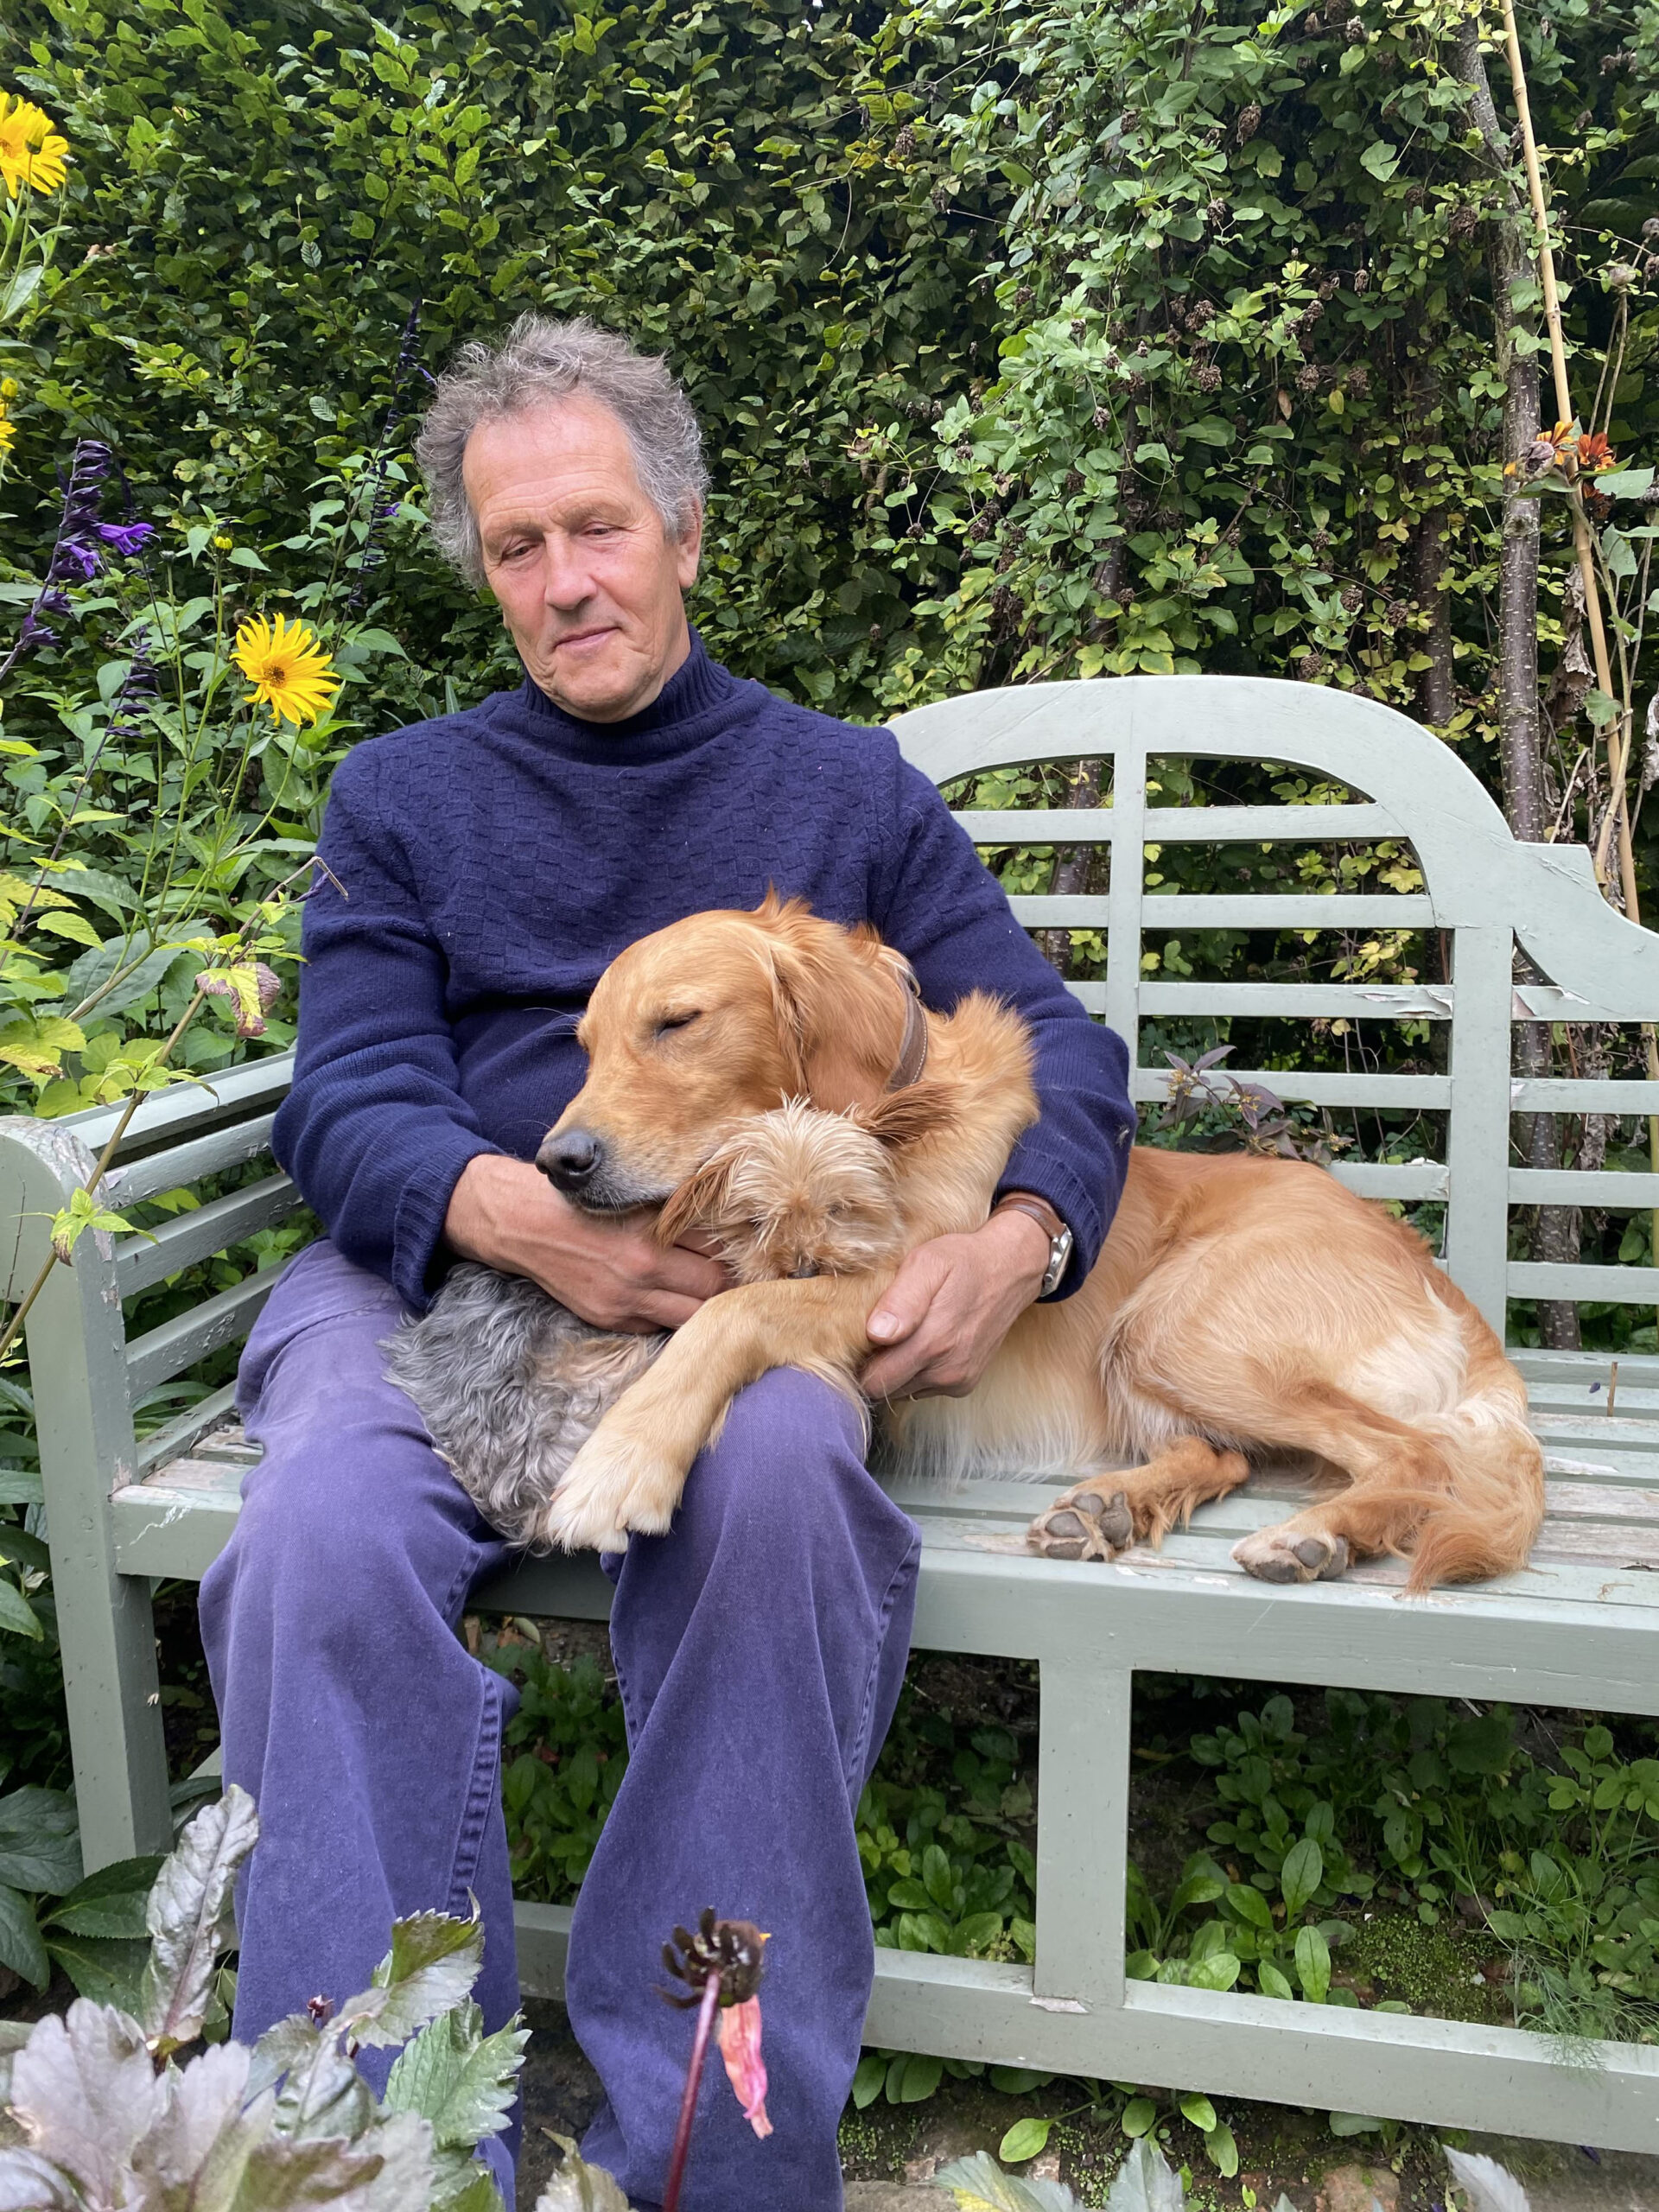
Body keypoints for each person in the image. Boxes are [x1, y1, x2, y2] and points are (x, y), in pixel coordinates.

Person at [199, 315, 1135, 2211]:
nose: (563, 581)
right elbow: (349, 1090)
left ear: (687, 532)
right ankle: (356, 2145)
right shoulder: (401, 797)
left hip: (749, 1296)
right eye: (517, 547)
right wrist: (512, 1210)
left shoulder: (845, 791)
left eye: (597, 530)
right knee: (315, 1527)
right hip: (444, 1274)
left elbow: (1053, 1037)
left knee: (789, 1479)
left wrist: (1029, 1236)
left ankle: (712, 2142)